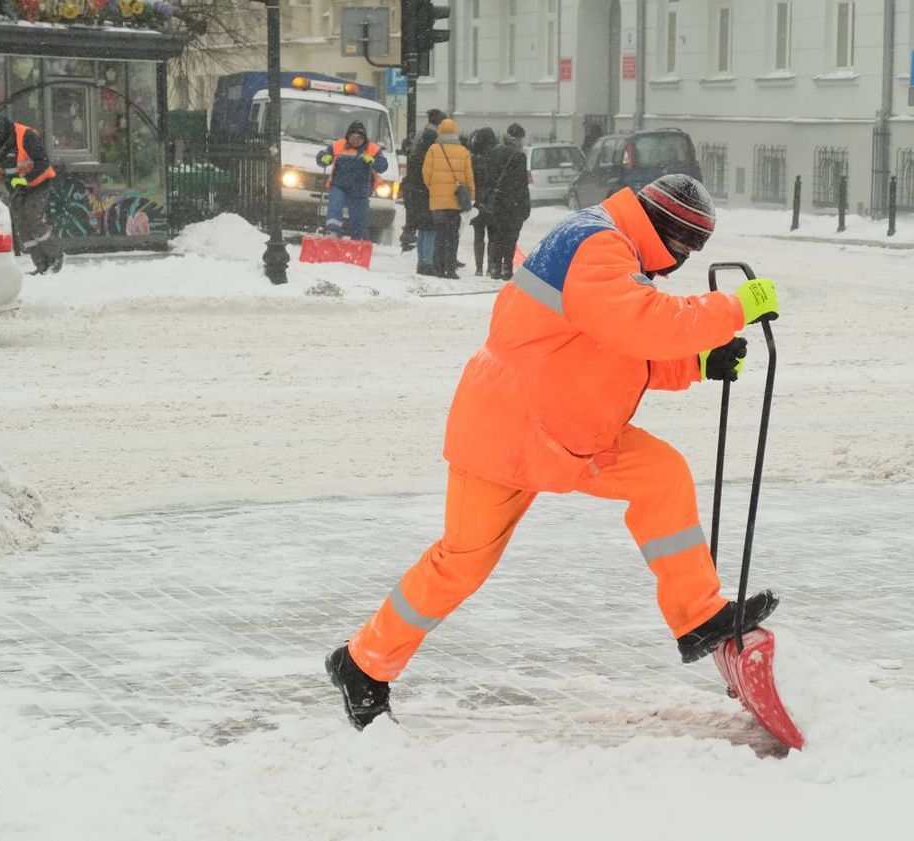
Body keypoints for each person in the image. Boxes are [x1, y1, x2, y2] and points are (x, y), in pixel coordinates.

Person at [325, 174, 782, 730]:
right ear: (669, 235)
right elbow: (639, 324)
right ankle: (361, 664)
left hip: (569, 434)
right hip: (509, 432)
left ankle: (701, 617)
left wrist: (697, 364)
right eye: (686, 248)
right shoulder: (597, 245)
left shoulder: (614, 246)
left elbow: (603, 349)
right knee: (460, 565)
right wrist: (731, 309)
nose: (681, 261)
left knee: (661, 475)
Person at [0, 114, 62, 275]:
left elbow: (43, 163)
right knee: (21, 225)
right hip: (14, 187)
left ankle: (55, 256)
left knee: (32, 219)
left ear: (5, 132)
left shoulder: (26, 135)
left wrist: (26, 180)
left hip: (38, 183)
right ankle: (40, 264)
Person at [316, 120, 388, 241]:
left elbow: (383, 166)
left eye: (359, 138)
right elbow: (322, 156)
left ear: (364, 138)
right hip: (339, 186)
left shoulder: (373, 149)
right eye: (352, 137)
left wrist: (373, 162)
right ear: (348, 137)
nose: (355, 140)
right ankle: (332, 232)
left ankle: (358, 241)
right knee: (335, 205)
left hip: (360, 190)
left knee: (359, 218)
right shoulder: (338, 145)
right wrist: (324, 158)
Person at [421, 118, 474, 280]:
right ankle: (450, 268)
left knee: (440, 235)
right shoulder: (463, 151)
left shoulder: (433, 149)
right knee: (453, 236)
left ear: (440, 132)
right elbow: (468, 177)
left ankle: (438, 268)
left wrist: (434, 188)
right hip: (456, 201)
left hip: (438, 201)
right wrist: (470, 196)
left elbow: (426, 174)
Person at [482, 122, 531, 280]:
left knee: (495, 236)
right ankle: (506, 268)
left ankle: (495, 268)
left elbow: (488, 178)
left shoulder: (494, 152)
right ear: (518, 138)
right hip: (512, 204)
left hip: (496, 203)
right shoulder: (519, 155)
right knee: (510, 237)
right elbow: (522, 184)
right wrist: (525, 205)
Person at [401, 109, 445, 272]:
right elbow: (428, 167)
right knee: (429, 227)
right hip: (425, 188)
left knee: (424, 226)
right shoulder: (432, 140)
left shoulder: (421, 136)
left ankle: (423, 260)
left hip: (416, 187)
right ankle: (427, 262)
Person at [467, 127, 498, 276]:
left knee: (478, 236)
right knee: (492, 236)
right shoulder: (495, 158)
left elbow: (470, 180)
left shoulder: (473, 159)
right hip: (492, 201)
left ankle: (479, 267)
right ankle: (491, 266)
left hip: (478, 201)